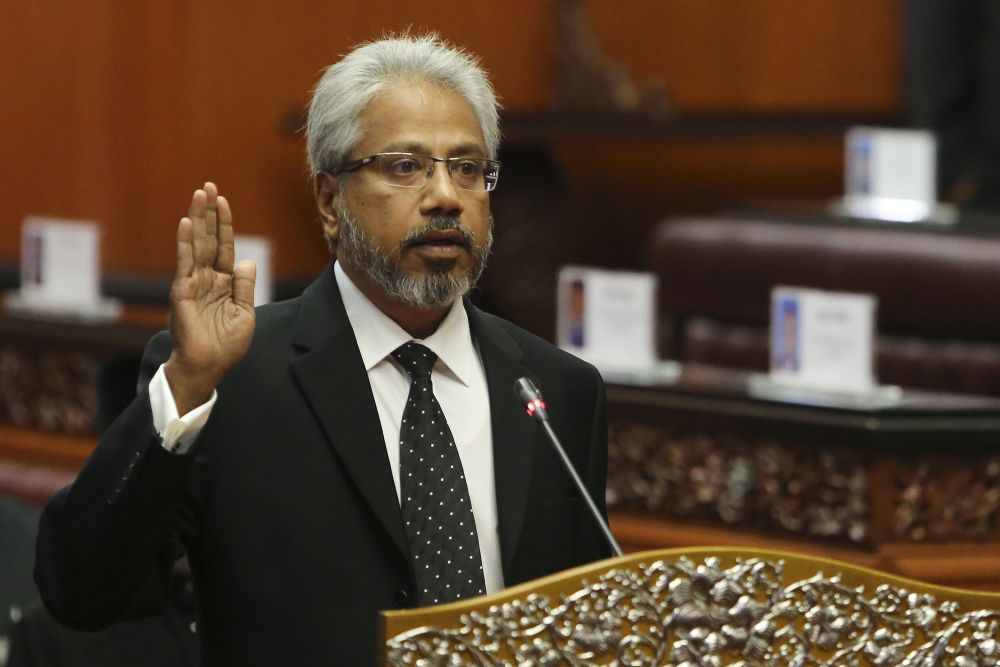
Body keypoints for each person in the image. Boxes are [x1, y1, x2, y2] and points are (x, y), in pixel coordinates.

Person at [33, 34, 610, 666]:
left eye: (468, 168)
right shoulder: (232, 381)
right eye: (405, 165)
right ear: (331, 201)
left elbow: (584, 623)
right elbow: (79, 591)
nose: (446, 196)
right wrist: (187, 388)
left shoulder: (560, 389)